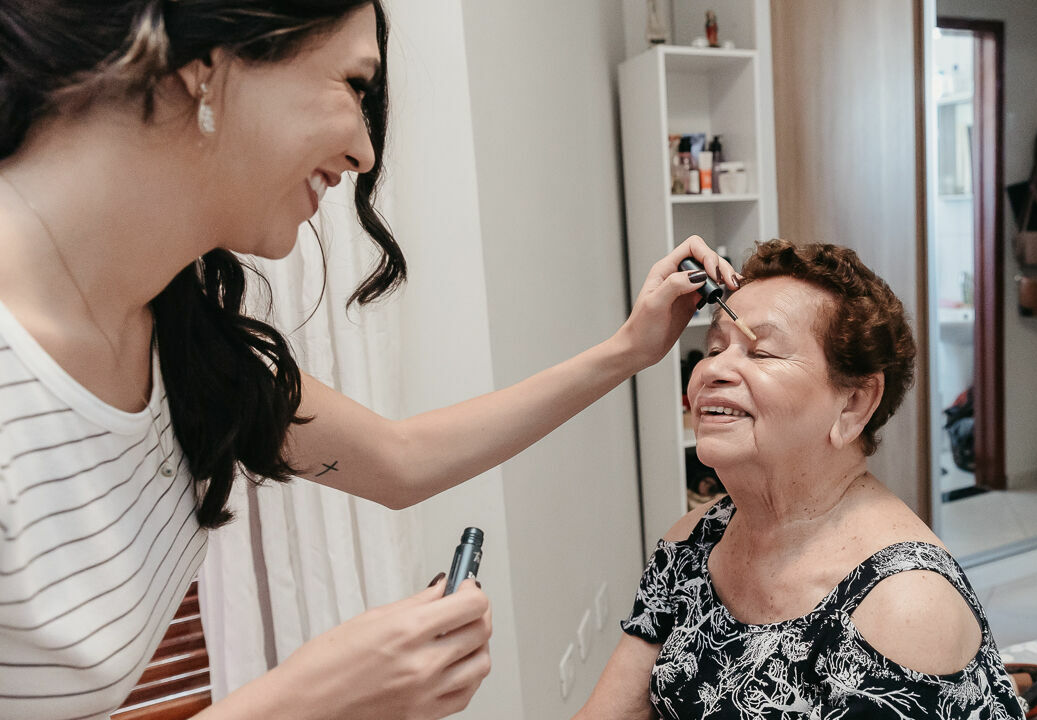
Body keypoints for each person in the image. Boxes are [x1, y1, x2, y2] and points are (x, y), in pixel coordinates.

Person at [0, 2, 739, 718]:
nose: (365, 152)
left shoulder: (177, 339)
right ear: (208, 60)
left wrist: (627, 351)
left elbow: (400, 459)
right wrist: (307, 701)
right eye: (353, 84)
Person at [576, 240, 1025, 719]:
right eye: (713, 348)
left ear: (853, 403)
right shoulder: (691, 543)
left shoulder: (903, 606)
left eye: (762, 352)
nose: (713, 370)